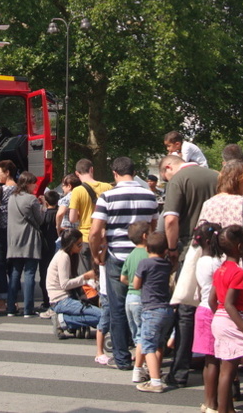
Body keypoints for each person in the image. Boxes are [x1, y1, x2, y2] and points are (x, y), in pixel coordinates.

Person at [89, 156, 159, 371]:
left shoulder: (107, 197)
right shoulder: (150, 196)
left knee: (118, 308)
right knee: (146, 305)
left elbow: (94, 232)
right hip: (144, 258)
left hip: (117, 257)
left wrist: (96, 255)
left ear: (115, 173)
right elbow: (154, 229)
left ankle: (121, 357)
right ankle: (146, 351)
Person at [160, 153, 219, 387]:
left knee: (186, 310)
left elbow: (171, 220)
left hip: (190, 248)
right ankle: (220, 369)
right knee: (216, 306)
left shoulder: (179, 180)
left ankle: (180, 370)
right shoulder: (216, 176)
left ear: (168, 167)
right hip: (218, 250)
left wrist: (172, 248)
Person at [208, 224, 243, 413]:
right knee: (228, 372)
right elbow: (229, 304)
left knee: (227, 369)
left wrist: (219, 319)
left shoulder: (221, 269)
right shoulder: (238, 272)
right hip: (231, 320)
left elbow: (212, 300)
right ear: (239, 247)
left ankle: (228, 409)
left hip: (221, 319)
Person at [132, 231, 174, 393]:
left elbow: (136, 285)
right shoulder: (166, 264)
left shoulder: (144, 264)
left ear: (147, 248)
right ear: (165, 250)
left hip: (151, 309)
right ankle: (154, 372)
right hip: (166, 310)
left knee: (148, 345)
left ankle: (155, 382)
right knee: (159, 344)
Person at [46, 229, 102, 344]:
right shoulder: (63, 257)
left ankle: (66, 320)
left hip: (67, 298)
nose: (81, 247)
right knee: (102, 316)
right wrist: (85, 277)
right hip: (60, 300)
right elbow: (65, 284)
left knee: (101, 316)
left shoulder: (70, 256)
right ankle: (65, 320)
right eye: (79, 244)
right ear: (71, 244)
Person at [193, 222, 223, 413]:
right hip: (213, 311)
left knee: (208, 360)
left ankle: (208, 401)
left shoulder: (200, 261)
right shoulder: (215, 263)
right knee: (215, 361)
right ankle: (213, 403)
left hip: (202, 310)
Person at [6, 171, 44, 317]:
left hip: (14, 241)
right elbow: (40, 220)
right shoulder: (32, 199)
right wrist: (44, 206)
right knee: (29, 275)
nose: (35, 185)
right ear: (28, 183)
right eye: (34, 183)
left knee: (15, 274)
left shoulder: (12, 198)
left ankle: (11, 308)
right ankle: (28, 309)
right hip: (29, 240)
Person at [68, 159, 113, 271]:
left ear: (77, 173)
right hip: (104, 237)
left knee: (86, 276)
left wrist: (81, 215)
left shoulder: (77, 191)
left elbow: (72, 219)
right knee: (103, 274)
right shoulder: (108, 187)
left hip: (85, 237)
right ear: (92, 169)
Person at [120, 221, 151, 381]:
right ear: (145, 236)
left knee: (136, 334)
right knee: (143, 335)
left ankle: (142, 364)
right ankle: (140, 368)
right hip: (142, 297)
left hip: (130, 297)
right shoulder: (148, 254)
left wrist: (132, 284)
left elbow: (123, 277)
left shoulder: (131, 254)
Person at [0, 160, 17, 313]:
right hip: (16, 233)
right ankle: (14, 301)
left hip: (0, 232)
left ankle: (1, 302)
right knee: (13, 267)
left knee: (0, 267)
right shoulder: (21, 190)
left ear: (7, 173)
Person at [38, 189, 60, 313]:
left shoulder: (44, 215)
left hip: (45, 248)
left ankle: (46, 300)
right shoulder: (59, 213)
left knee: (45, 274)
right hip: (57, 247)